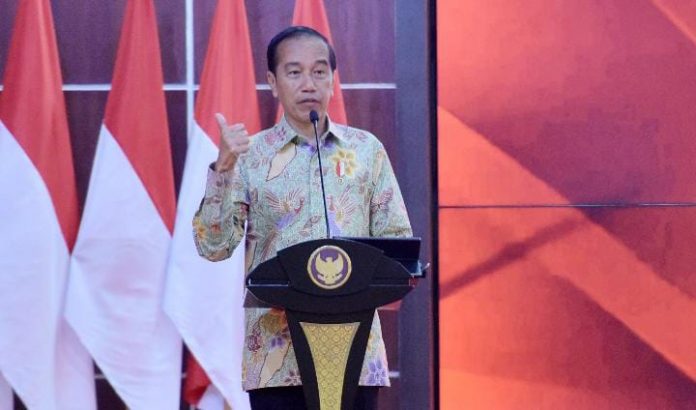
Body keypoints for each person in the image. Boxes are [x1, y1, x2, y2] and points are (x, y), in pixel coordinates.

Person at [192, 26, 412, 409]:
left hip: (355, 353)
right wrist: (223, 167)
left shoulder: (366, 151)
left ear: (332, 80)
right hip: (277, 359)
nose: (308, 82)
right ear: (273, 83)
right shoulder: (251, 156)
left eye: (319, 71)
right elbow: (213, 246)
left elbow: (397, 245)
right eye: (294, 72)